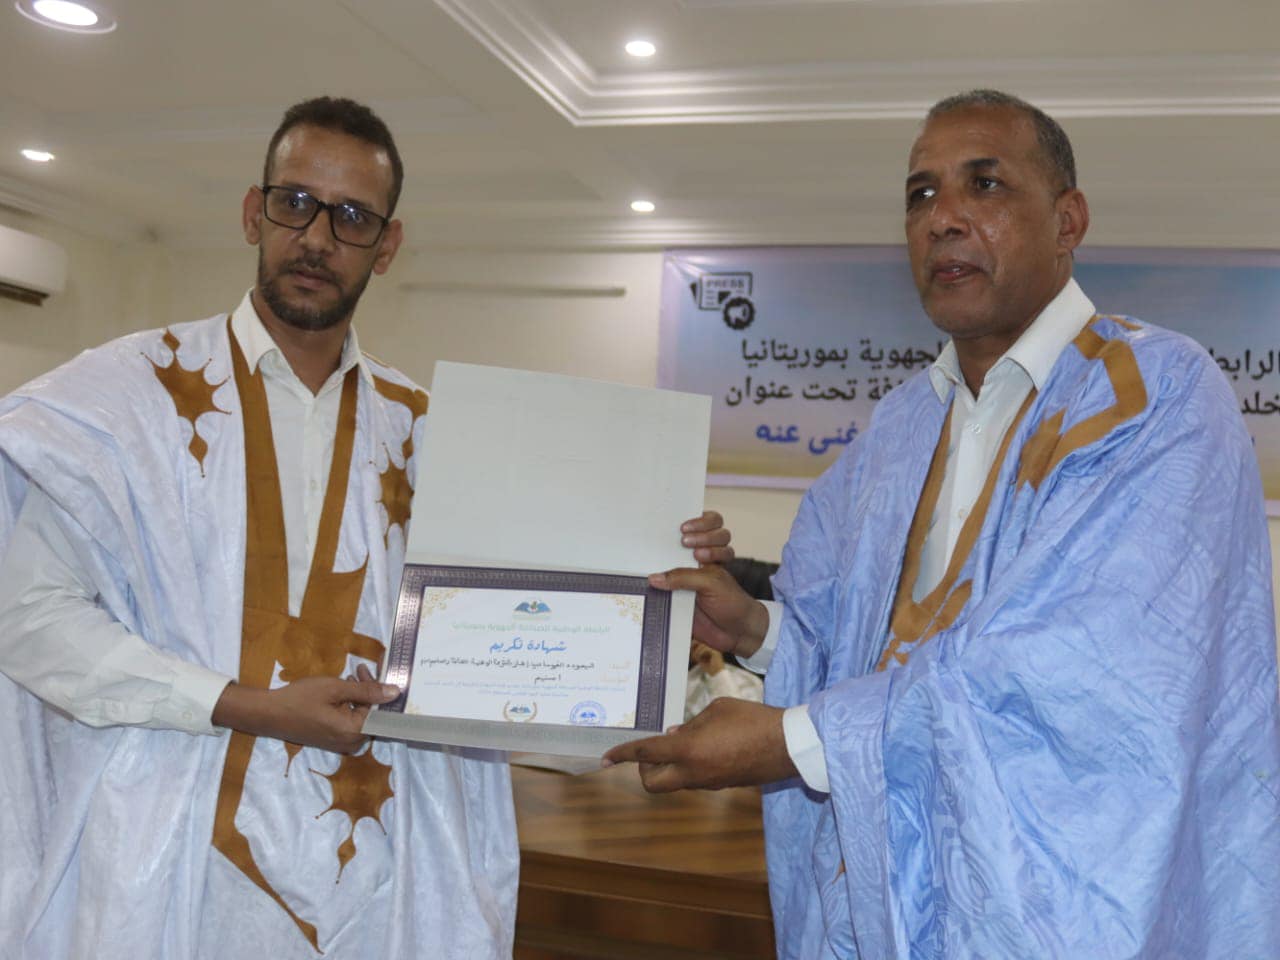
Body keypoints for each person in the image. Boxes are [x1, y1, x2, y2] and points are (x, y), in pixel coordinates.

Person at [0, 96, 732, 959]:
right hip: (163, 856)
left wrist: (657, 569)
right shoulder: (123, 401)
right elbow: (28, 619)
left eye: (352, 218)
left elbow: (529, 645)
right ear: (253, 213)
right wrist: (240, 705)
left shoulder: (435, 434)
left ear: (386, 247)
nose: (317, 237)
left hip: (382, 861)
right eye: (295, 203)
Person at [607, 89, 1280, 958]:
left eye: (985, 184)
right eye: (921, 195)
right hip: (888, 894)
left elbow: (1071, 676)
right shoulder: (900, 426)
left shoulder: (1155, 395)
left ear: (1068, 220)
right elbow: (858, 634)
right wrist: (756, 631)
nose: (943, 218)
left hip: (1065, 908)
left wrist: (794, 740)